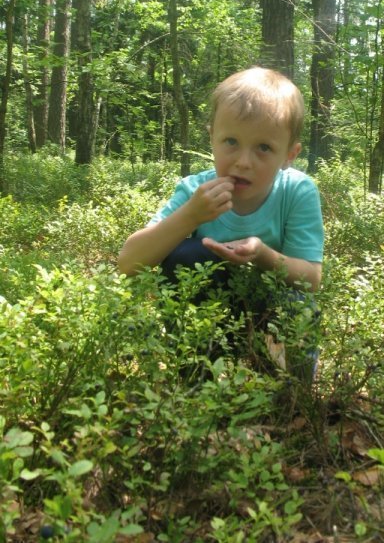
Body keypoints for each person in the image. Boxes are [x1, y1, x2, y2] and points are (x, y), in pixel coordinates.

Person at [117, 67, 324, 376]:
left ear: (289, 155)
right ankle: (196, 378)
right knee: (184, 256)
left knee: (299, 302)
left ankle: (291, 392)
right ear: (211, 136)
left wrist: (262, 255)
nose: (243, 161)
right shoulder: (193, 190)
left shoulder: (297, 191)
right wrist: (191, 215)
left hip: (271, 309)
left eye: (264, 148)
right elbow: (128, 263)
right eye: (231, 141)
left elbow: (310, 279)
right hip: (212, 314)